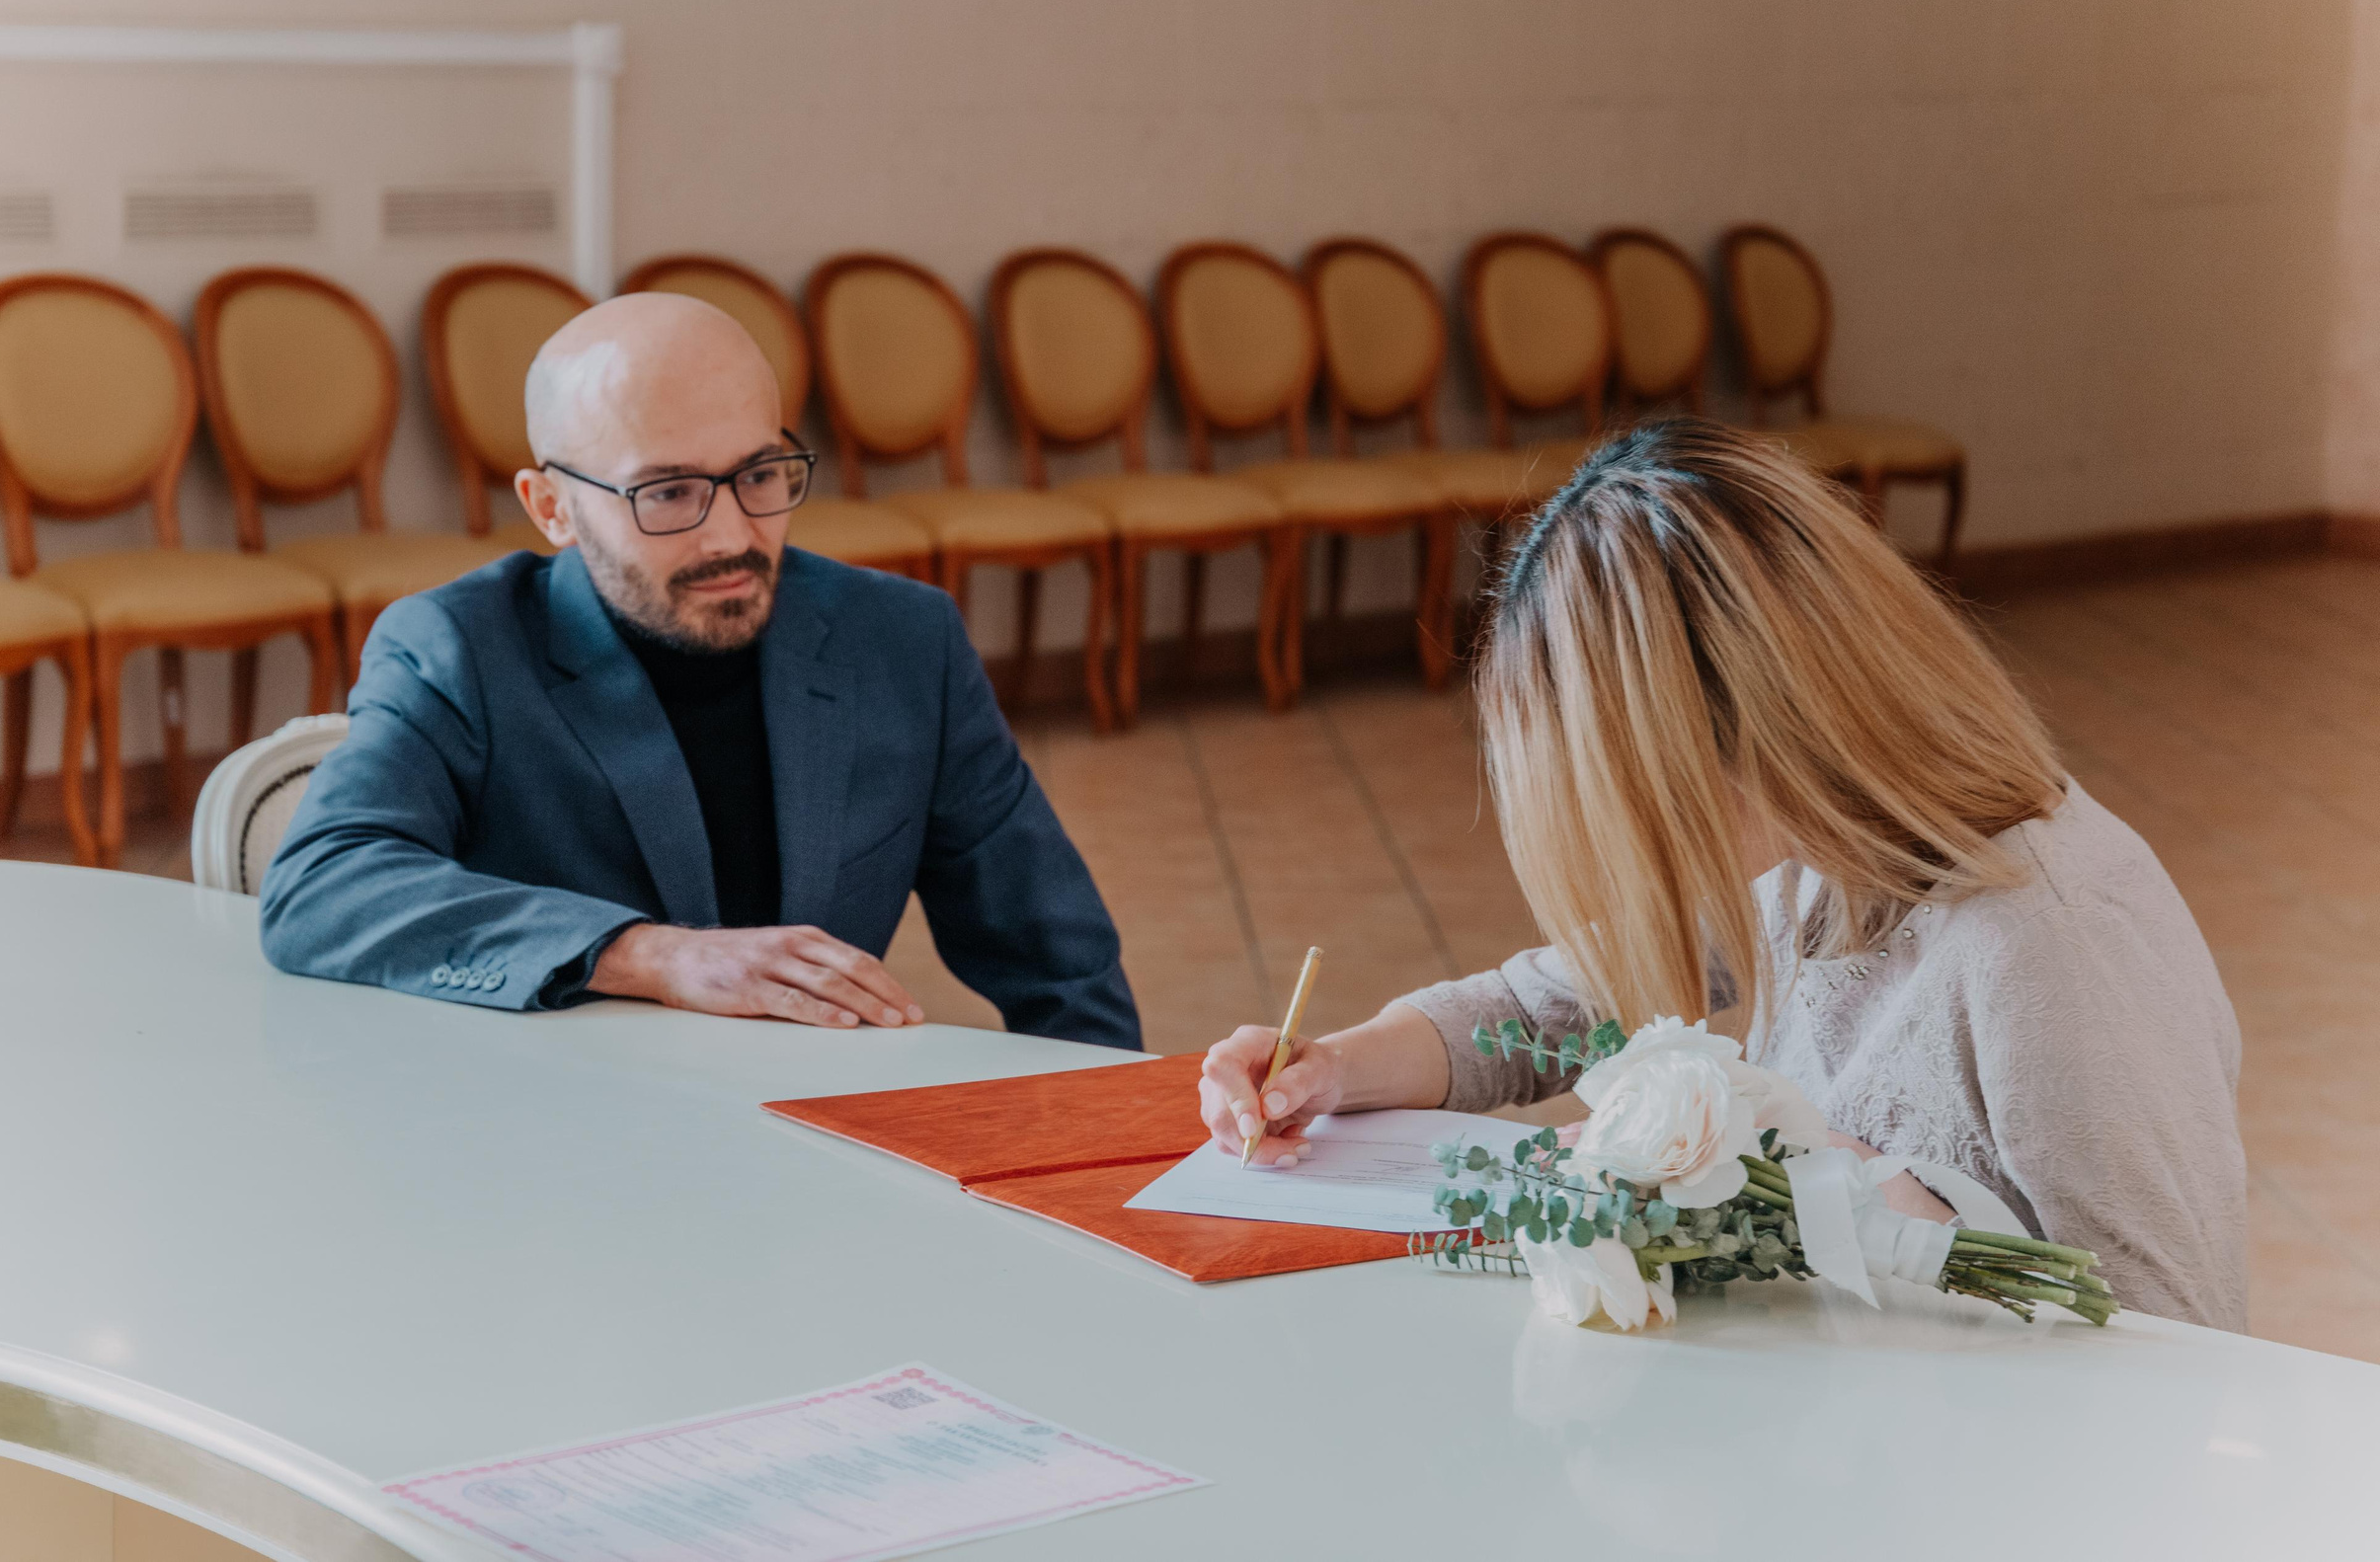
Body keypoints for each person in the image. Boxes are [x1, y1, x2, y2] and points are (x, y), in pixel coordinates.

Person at [1197, 420, 2246, 1329]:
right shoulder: (1815, 847)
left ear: (1739, 729)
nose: (1638, 844)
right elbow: (1539, 1010)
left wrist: (1859, 1203)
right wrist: (1330, 1068)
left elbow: (2184, 1345)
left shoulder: (2049, 940)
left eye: (1624, 788)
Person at [260, 293, 1140, 1049]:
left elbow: (1062, 969)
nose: (731, 536)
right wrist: (654, 954)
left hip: (812, 1157)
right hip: (546, 1168)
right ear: (553, 508)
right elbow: (323, 884)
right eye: (668, 492)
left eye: (759, 473)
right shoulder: (456, 647)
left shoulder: (904, 641)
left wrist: (1124, 1163)